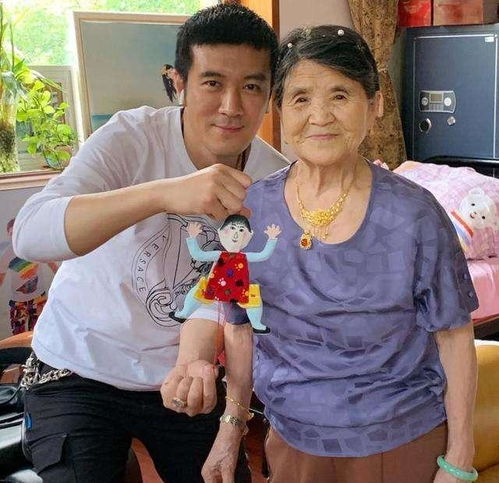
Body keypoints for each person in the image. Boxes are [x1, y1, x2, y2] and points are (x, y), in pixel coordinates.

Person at [183, 25, 479, 483]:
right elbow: (239, 327)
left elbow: (454, 336)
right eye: (300, 98)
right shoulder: (249, 210)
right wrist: (231, 430)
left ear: (375, 104)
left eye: (340, 95)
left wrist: (459, 457)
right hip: (292, 441)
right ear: (279, 108)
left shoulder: (415, 214)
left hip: (400, 440)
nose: (319, 116)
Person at [12, 4, 288, 482]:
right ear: (178, 83)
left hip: (186, 379)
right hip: (76, 371)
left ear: (269, 95)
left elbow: (227, 291)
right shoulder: (130, 137)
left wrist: (199, 364)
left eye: (251, 87)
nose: (231, 106)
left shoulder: (273, 182)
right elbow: (31, 232)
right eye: (212, 83)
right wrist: (163, 194)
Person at [0, 218, 58, 335]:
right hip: (18, 302)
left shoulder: (36, 248)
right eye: (11, 234)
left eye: (17, 232)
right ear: (8, 235)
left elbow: (53, 267)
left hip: (39, 299)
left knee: (39, 334)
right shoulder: (6, 254)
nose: (15, 237)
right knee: (18, 336)